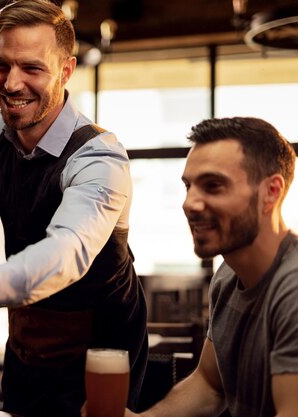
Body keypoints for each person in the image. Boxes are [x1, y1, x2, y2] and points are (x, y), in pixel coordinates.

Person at [0, 1, 147, 416]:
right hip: (28, 348)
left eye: (32, 68)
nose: (11, 83)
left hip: (102, 359)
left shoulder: (99, 158)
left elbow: (68, 252)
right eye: (1, 65)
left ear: (66, 70)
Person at [124, 117, 298, 417]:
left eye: (213, 186)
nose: (189, 203)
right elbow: (209, 384)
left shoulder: (292, 290)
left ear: (271, 192)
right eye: (189, 186)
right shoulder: (228, 275)